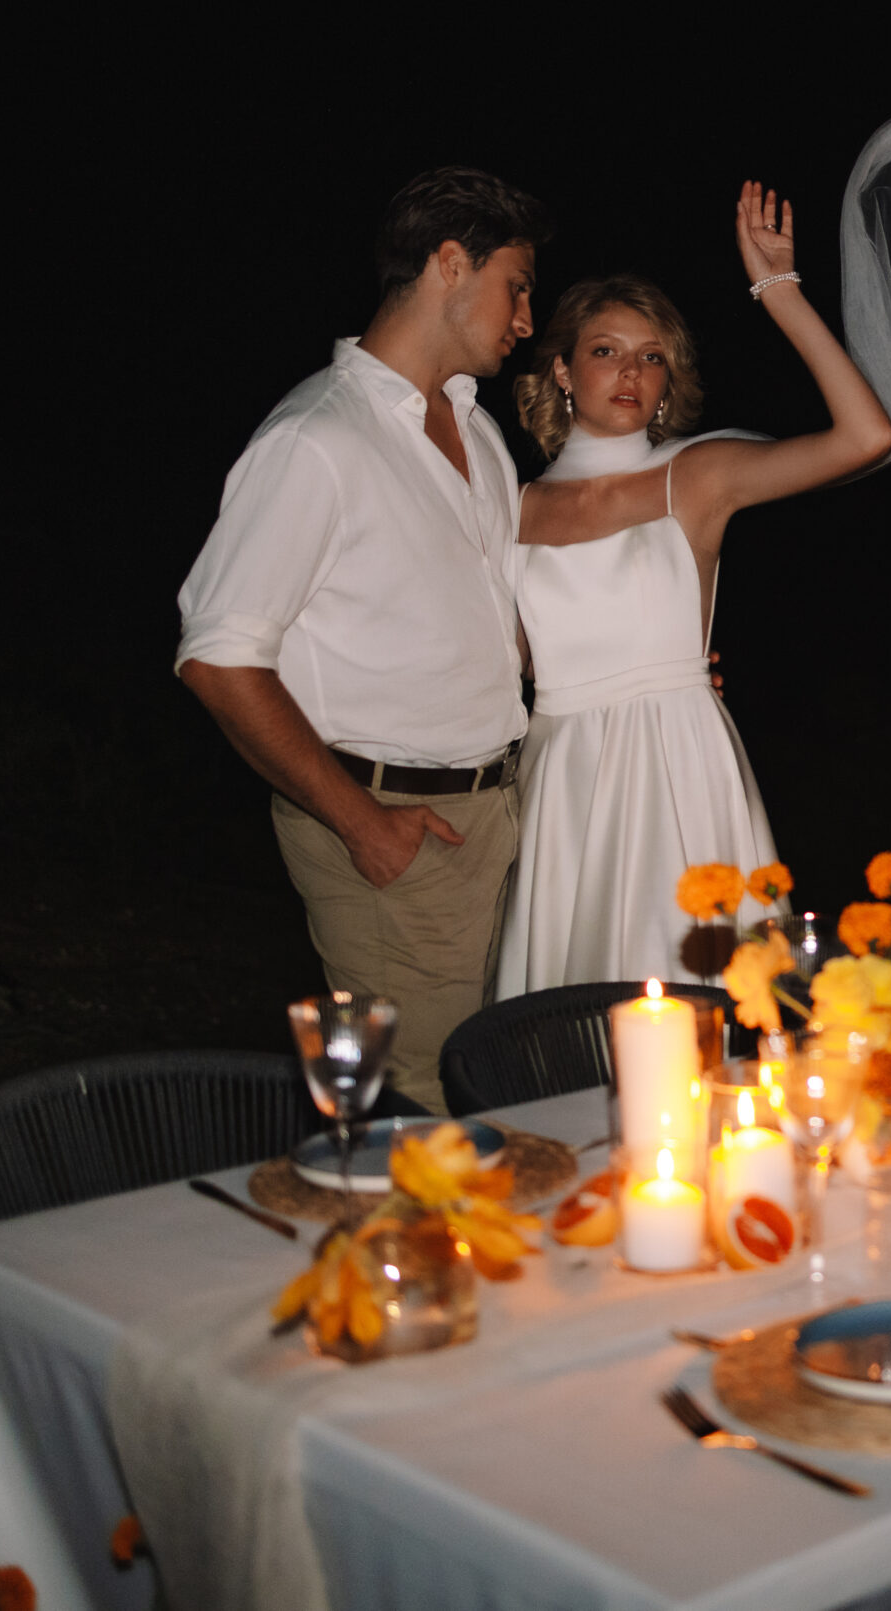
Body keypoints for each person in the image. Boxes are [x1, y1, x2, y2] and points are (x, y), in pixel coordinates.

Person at [176, 167, 675, 1113]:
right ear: (452, 264)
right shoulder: (316, 440)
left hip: (507, 810)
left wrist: (644, 670)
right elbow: (218, 657)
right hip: (394, 822)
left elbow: (504, 632)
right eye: (516, 285)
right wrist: (361, 825)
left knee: (521, 1087)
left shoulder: (476, 430)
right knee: (430, 1112)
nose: (528, 318)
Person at [494, 181, 891, 995]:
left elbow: (867, 436)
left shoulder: (697, 477)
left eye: (652, 357)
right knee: (566, 1022)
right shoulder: (513, 505)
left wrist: (778, 290)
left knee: (695, 1010)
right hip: (560, 775)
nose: (630, 372)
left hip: (678, 762)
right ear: (563, 369)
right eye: (606, 350)